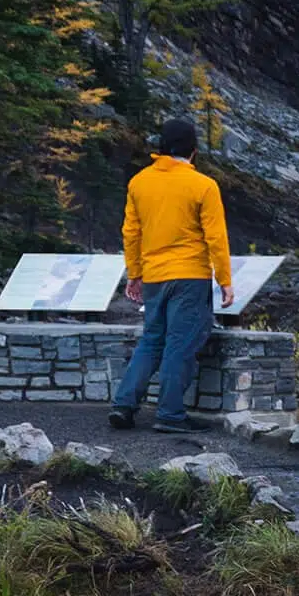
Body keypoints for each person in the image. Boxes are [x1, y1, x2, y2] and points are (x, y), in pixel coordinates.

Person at [109, 118, 233, 432]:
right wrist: (225, 281)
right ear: (193, 151)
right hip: (190, 276)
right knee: (180, 343)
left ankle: (124, 405)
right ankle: (170, 415)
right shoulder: (203, 185)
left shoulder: (139, 182)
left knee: (152, 340)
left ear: (161, 148)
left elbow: (131, 232)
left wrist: (134, 273)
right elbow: (216, 237)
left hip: (153, 276)